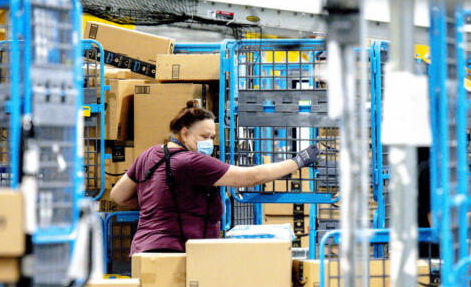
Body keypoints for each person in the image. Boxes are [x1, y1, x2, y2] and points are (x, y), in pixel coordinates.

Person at [111, 100, 320, 255]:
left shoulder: (150, 154)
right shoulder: (192, 162)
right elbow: (251, 176)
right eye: (204, 137)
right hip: (176, 253)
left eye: (212, 137)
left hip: (144, 250)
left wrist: (159, 203)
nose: (209, 142)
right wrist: (299, 161)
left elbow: (118, 195)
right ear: (184, 133)